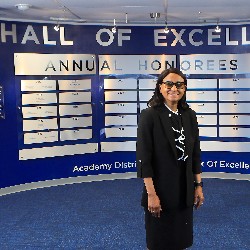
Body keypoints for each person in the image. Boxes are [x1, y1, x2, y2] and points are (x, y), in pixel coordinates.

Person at [136, 68, 204, 250]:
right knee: (160, 242)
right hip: (160, 191)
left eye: (179, 85)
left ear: (185, 89)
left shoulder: (190, 115)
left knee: (180, 240)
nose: (174, 88)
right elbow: (144, 158)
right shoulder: (149, 115)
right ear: (160, 87)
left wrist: (198, 186)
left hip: (185, 190)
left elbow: (195, 154)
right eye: (169, 84)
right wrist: (151, 194)